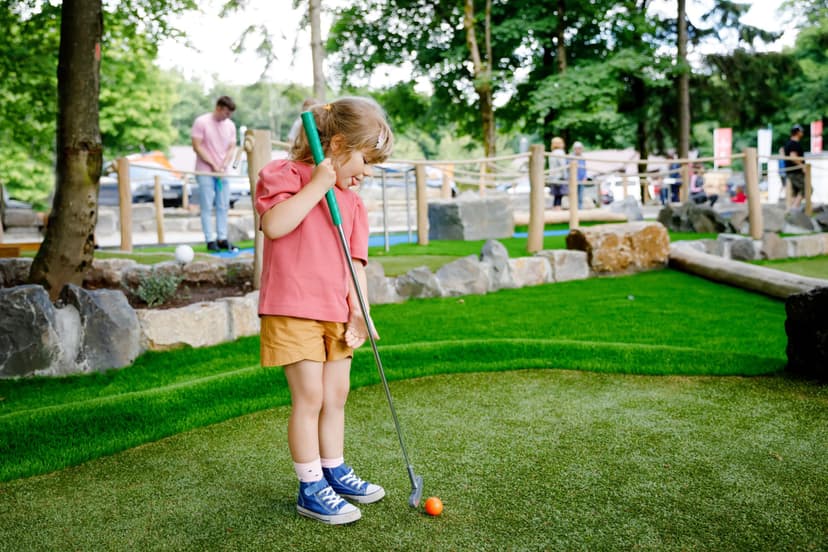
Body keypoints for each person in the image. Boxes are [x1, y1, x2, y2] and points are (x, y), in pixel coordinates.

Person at [254, 97, 393, 525]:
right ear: (335, 144)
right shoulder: (283, 175)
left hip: (335, 310)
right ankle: (310, 487)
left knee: (336, 395)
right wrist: (317, 185)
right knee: (310, 396)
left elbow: (355, 263)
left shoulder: (353, 203)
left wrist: (360, 311)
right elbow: (275, 225)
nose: (366, 172)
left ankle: (333, 469)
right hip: (292, 308)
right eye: (365, 160)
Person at [191, 95, 238, 252]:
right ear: (219, 108)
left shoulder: (230, 125)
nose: (228, 116)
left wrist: (223, 165)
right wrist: (212, 164)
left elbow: (231, 147)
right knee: (206, 206)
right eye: (226, 112)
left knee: (223, 205)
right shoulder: (201, 122)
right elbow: (197, 146)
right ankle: (210, 240)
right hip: (205, 171)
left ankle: (222, 237)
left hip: (223, 172)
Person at [784, 124, 806, 209]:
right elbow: (793, 157)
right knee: (807, 189)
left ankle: (792, 211)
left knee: (796, 192)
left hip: (791, 172)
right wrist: (803, 166)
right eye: (801, 131)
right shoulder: (794, 144)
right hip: (796, 172)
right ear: (797, 132)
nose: (802, 133)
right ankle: (793, 209)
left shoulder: (788, 143)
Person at [547, 137, 568, 209]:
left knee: (556, 195)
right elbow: (563, 165)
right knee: (559, 195)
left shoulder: (552, 154)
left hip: (553, 177)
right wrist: (566, 176)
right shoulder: (560, 152)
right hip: (560, 176)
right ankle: (558, 208)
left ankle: (555, 207)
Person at [572, 141, 588, 209]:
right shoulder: (571, 157)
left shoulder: (582, 158)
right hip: (573, 179)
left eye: (580, 148)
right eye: (577, 148)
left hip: (581, 180)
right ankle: (574, 210)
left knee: (580, 196)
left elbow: (584, 169)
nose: (578, 150)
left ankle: (580, 210)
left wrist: (585, 177)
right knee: (573, 196)